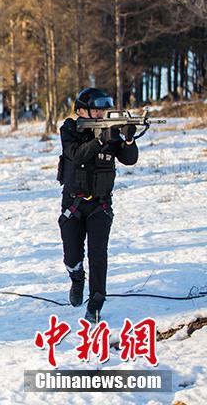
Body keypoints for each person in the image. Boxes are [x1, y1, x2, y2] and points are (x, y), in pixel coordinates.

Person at [58, 88, 138, 323]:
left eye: (105, 108)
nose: (102, 112)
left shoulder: (111, 132)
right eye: (97, 108)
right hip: (73, 203)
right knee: (72, 255)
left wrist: (128, 138)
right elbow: (77, 155)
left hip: (100, 205)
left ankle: (95, 303)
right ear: (81, 110)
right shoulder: (70, 130)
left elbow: (130, 159)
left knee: (98, 255)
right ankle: (76, 277)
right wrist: (101, 138)